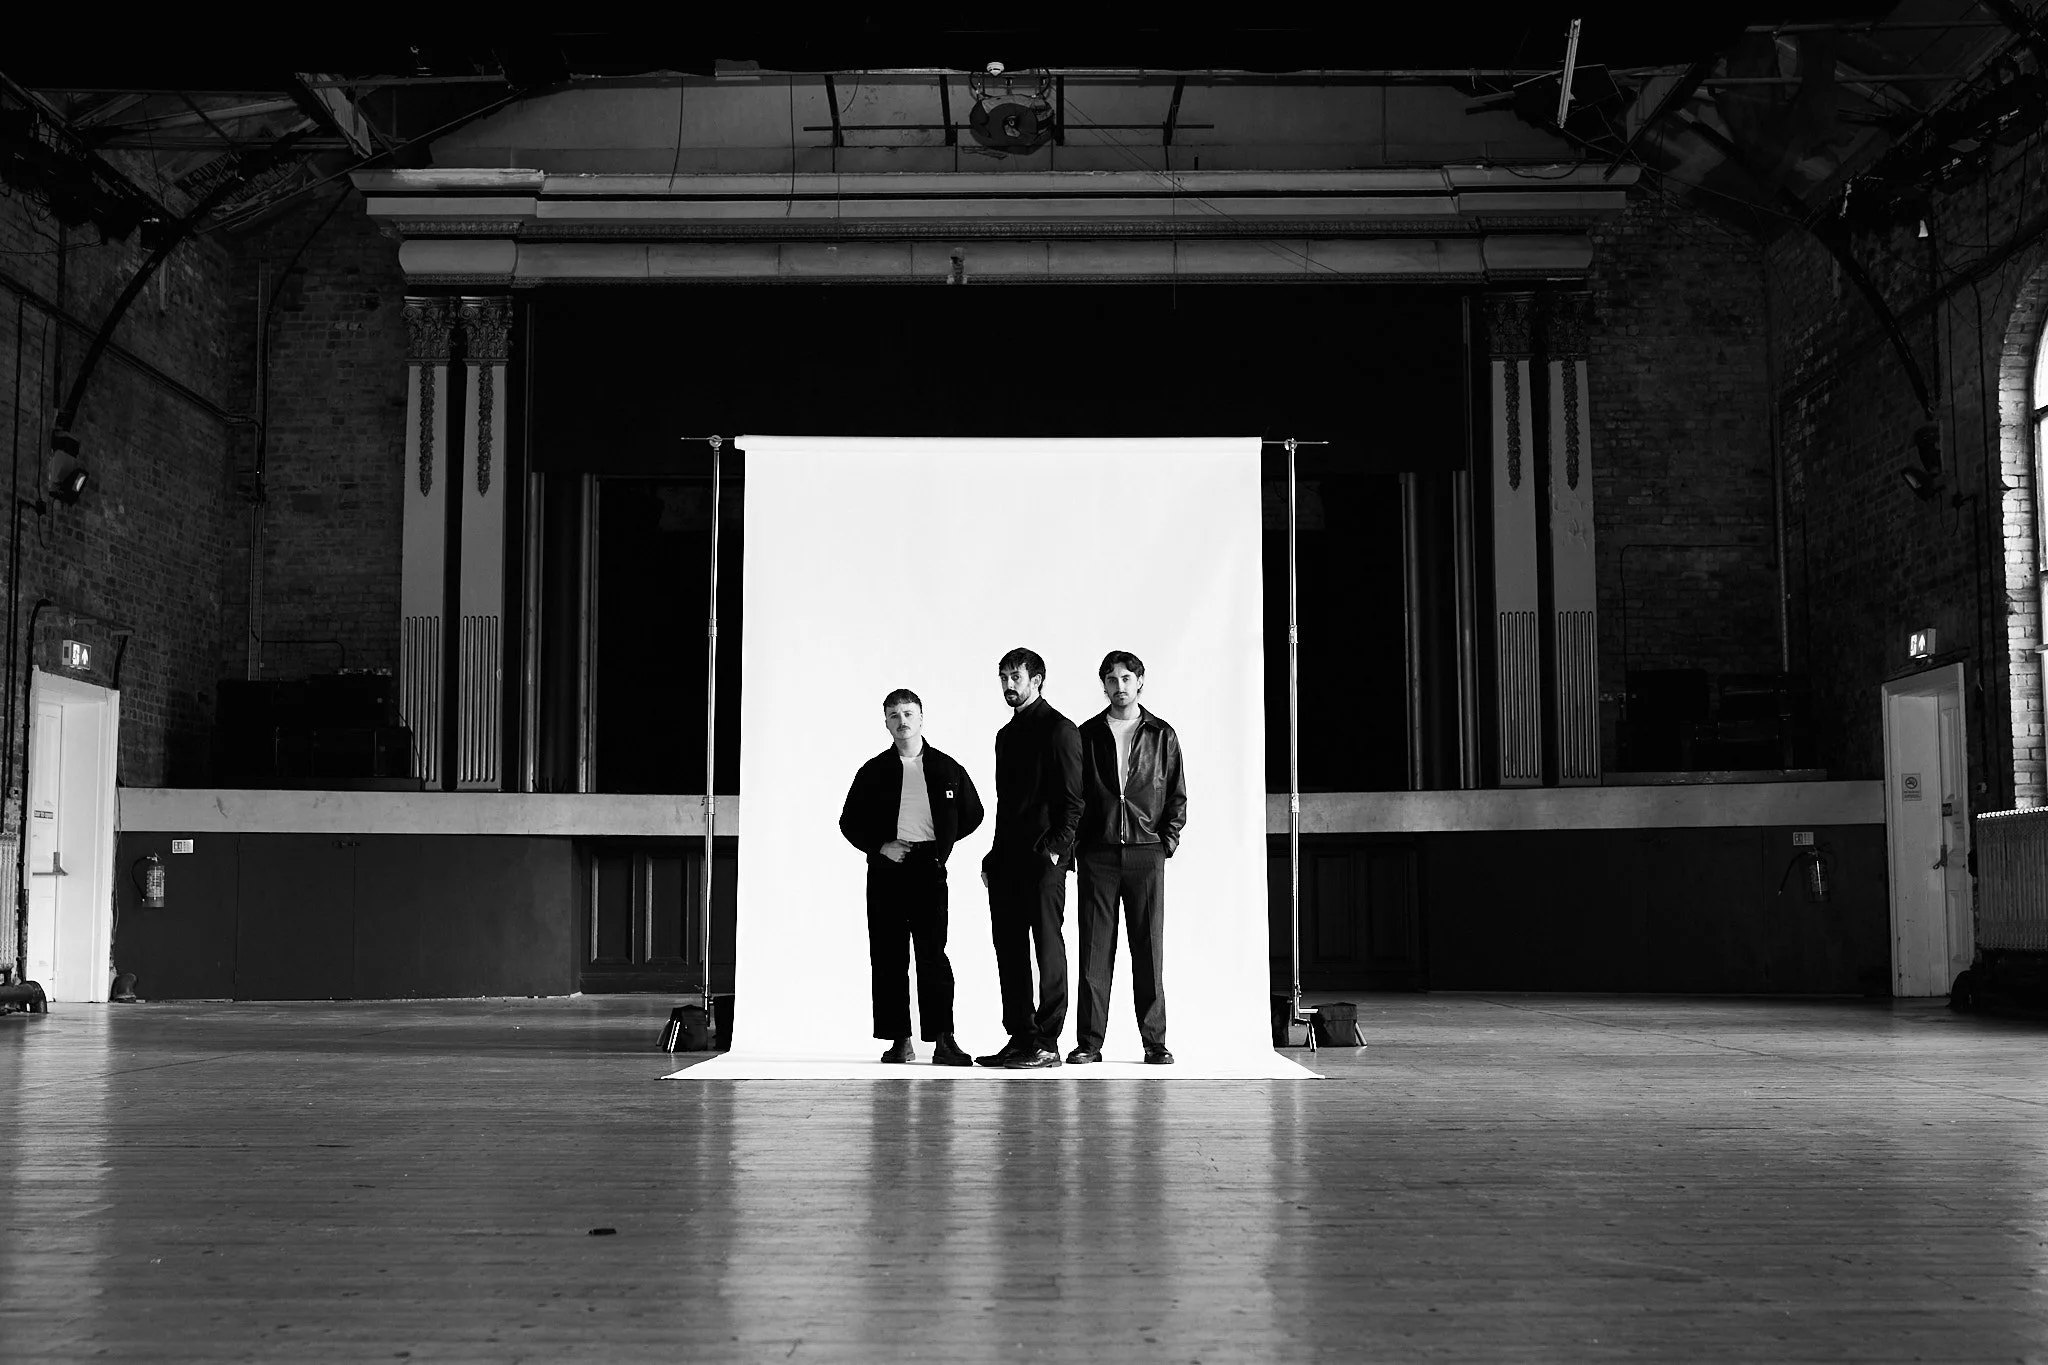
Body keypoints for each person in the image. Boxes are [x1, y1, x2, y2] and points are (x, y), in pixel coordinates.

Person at [839, 688, 984, 1065]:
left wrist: (941, 846)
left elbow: (974, 813)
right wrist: (880, 846)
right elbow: (848, 822)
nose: (902, 721)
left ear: (921, 718)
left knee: (933, 955)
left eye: (908, 714)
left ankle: (943, 1040)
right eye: (894, 715)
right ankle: (899, 1039)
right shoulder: (873, 771)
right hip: (887, 870)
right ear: (886, 722)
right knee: (889, 955)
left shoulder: (946, 767)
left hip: (929, 869)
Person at [1070, 651, 1186, 1066]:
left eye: (1126, 678)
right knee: (1094, 952)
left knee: (1148, 951)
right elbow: (1075, 797)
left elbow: (1176, 796)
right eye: (1111, 679)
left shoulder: (1161, 735)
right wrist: (1078, 847)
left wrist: (1163, 844)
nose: (1119, 686)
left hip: (1145, 853)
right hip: (1098, 854)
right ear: (1103, 685)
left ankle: (1155, 1042)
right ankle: (1089, 1043)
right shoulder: (1087, 734)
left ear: (1140, 682)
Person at [976, 647, 1084, 1070]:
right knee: (1009, 950)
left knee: (1048, 948)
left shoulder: (1060, 730)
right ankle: (1021, 1037)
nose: (1008, 684)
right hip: (1006, 858)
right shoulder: (1005, 735)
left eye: (1015, 677)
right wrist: (993, 854)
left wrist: (1057, 849)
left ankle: (1047, 1042)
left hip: (1044, 859)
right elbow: (1008, 804)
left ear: (1036, 680)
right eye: (1003, 676)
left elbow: (1075, 801)